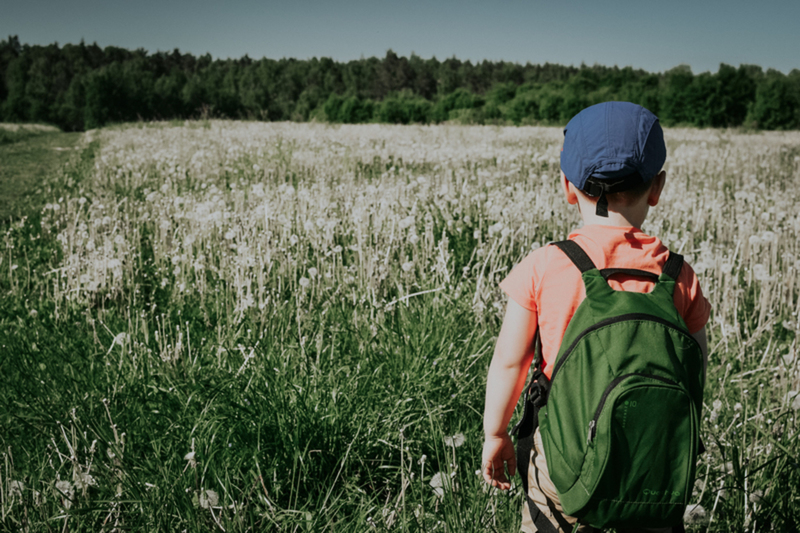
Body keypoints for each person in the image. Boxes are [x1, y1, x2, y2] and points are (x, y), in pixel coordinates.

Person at [480, 101, 710, 533]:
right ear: (657, 187)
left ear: (567, 187)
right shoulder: (681, 277)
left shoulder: (545, 265)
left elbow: (510, 362)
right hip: (652, 457)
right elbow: (693, 373)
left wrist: (496, 434)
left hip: (562, 453)